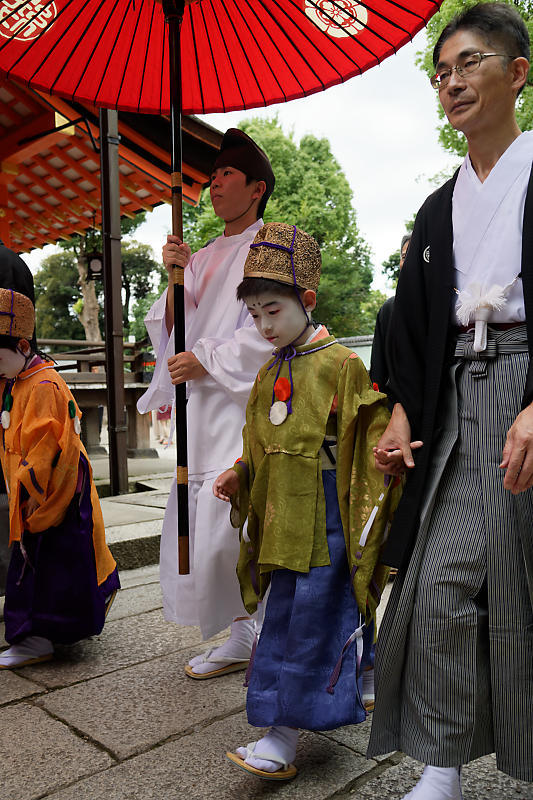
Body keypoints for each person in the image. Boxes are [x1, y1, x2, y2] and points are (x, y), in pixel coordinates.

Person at [367, 4, 533, 797]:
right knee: (435, 587)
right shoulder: (440, 208)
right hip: (462, 399)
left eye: (469, 63)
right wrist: (403, 408)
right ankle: (441, 765)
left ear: (517, 73)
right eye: (441, 72)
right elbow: (409, 324)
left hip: (529, 382)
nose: (451, 82)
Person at [213, 223, 399, 780]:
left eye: (274, 310)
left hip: (328, 514)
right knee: (291, 613)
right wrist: (240, 472)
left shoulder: (343, 364)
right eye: (256, 316)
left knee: (310, 617)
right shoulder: (269, 371)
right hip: (279, 515)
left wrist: (382, 470)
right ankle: (358, 675)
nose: (265, 326)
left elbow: (370, 439)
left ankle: (282, 733)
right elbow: (259, 442)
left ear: (307, 300)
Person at [137, 129, 274, 678]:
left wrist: (207, 357)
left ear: (257, 189)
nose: (214, 185)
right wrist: (176, 276)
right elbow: (171, 326)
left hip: (240, 403)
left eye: (227, 176)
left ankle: (266, 630)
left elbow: (271, 328)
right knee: (202, 520)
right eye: (212, 177)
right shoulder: (201, 257)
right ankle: (243, 633)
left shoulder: (271, 247)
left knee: (231, 523)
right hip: (200, 405)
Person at [0, 288, 120, 668]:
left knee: (47, 562)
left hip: (52, 489)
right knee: (58, 563)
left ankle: (36, 637)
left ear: (22, 345)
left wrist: (30, 491)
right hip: (39, 485)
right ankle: (47, 631)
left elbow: (44, 449)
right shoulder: (18, 379)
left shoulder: (44, 384)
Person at [369, 233, 411, 392]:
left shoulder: (442, 307)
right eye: (404, 256)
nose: (407, 262)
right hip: (394, 403)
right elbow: (378, 369)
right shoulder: (389, 309)